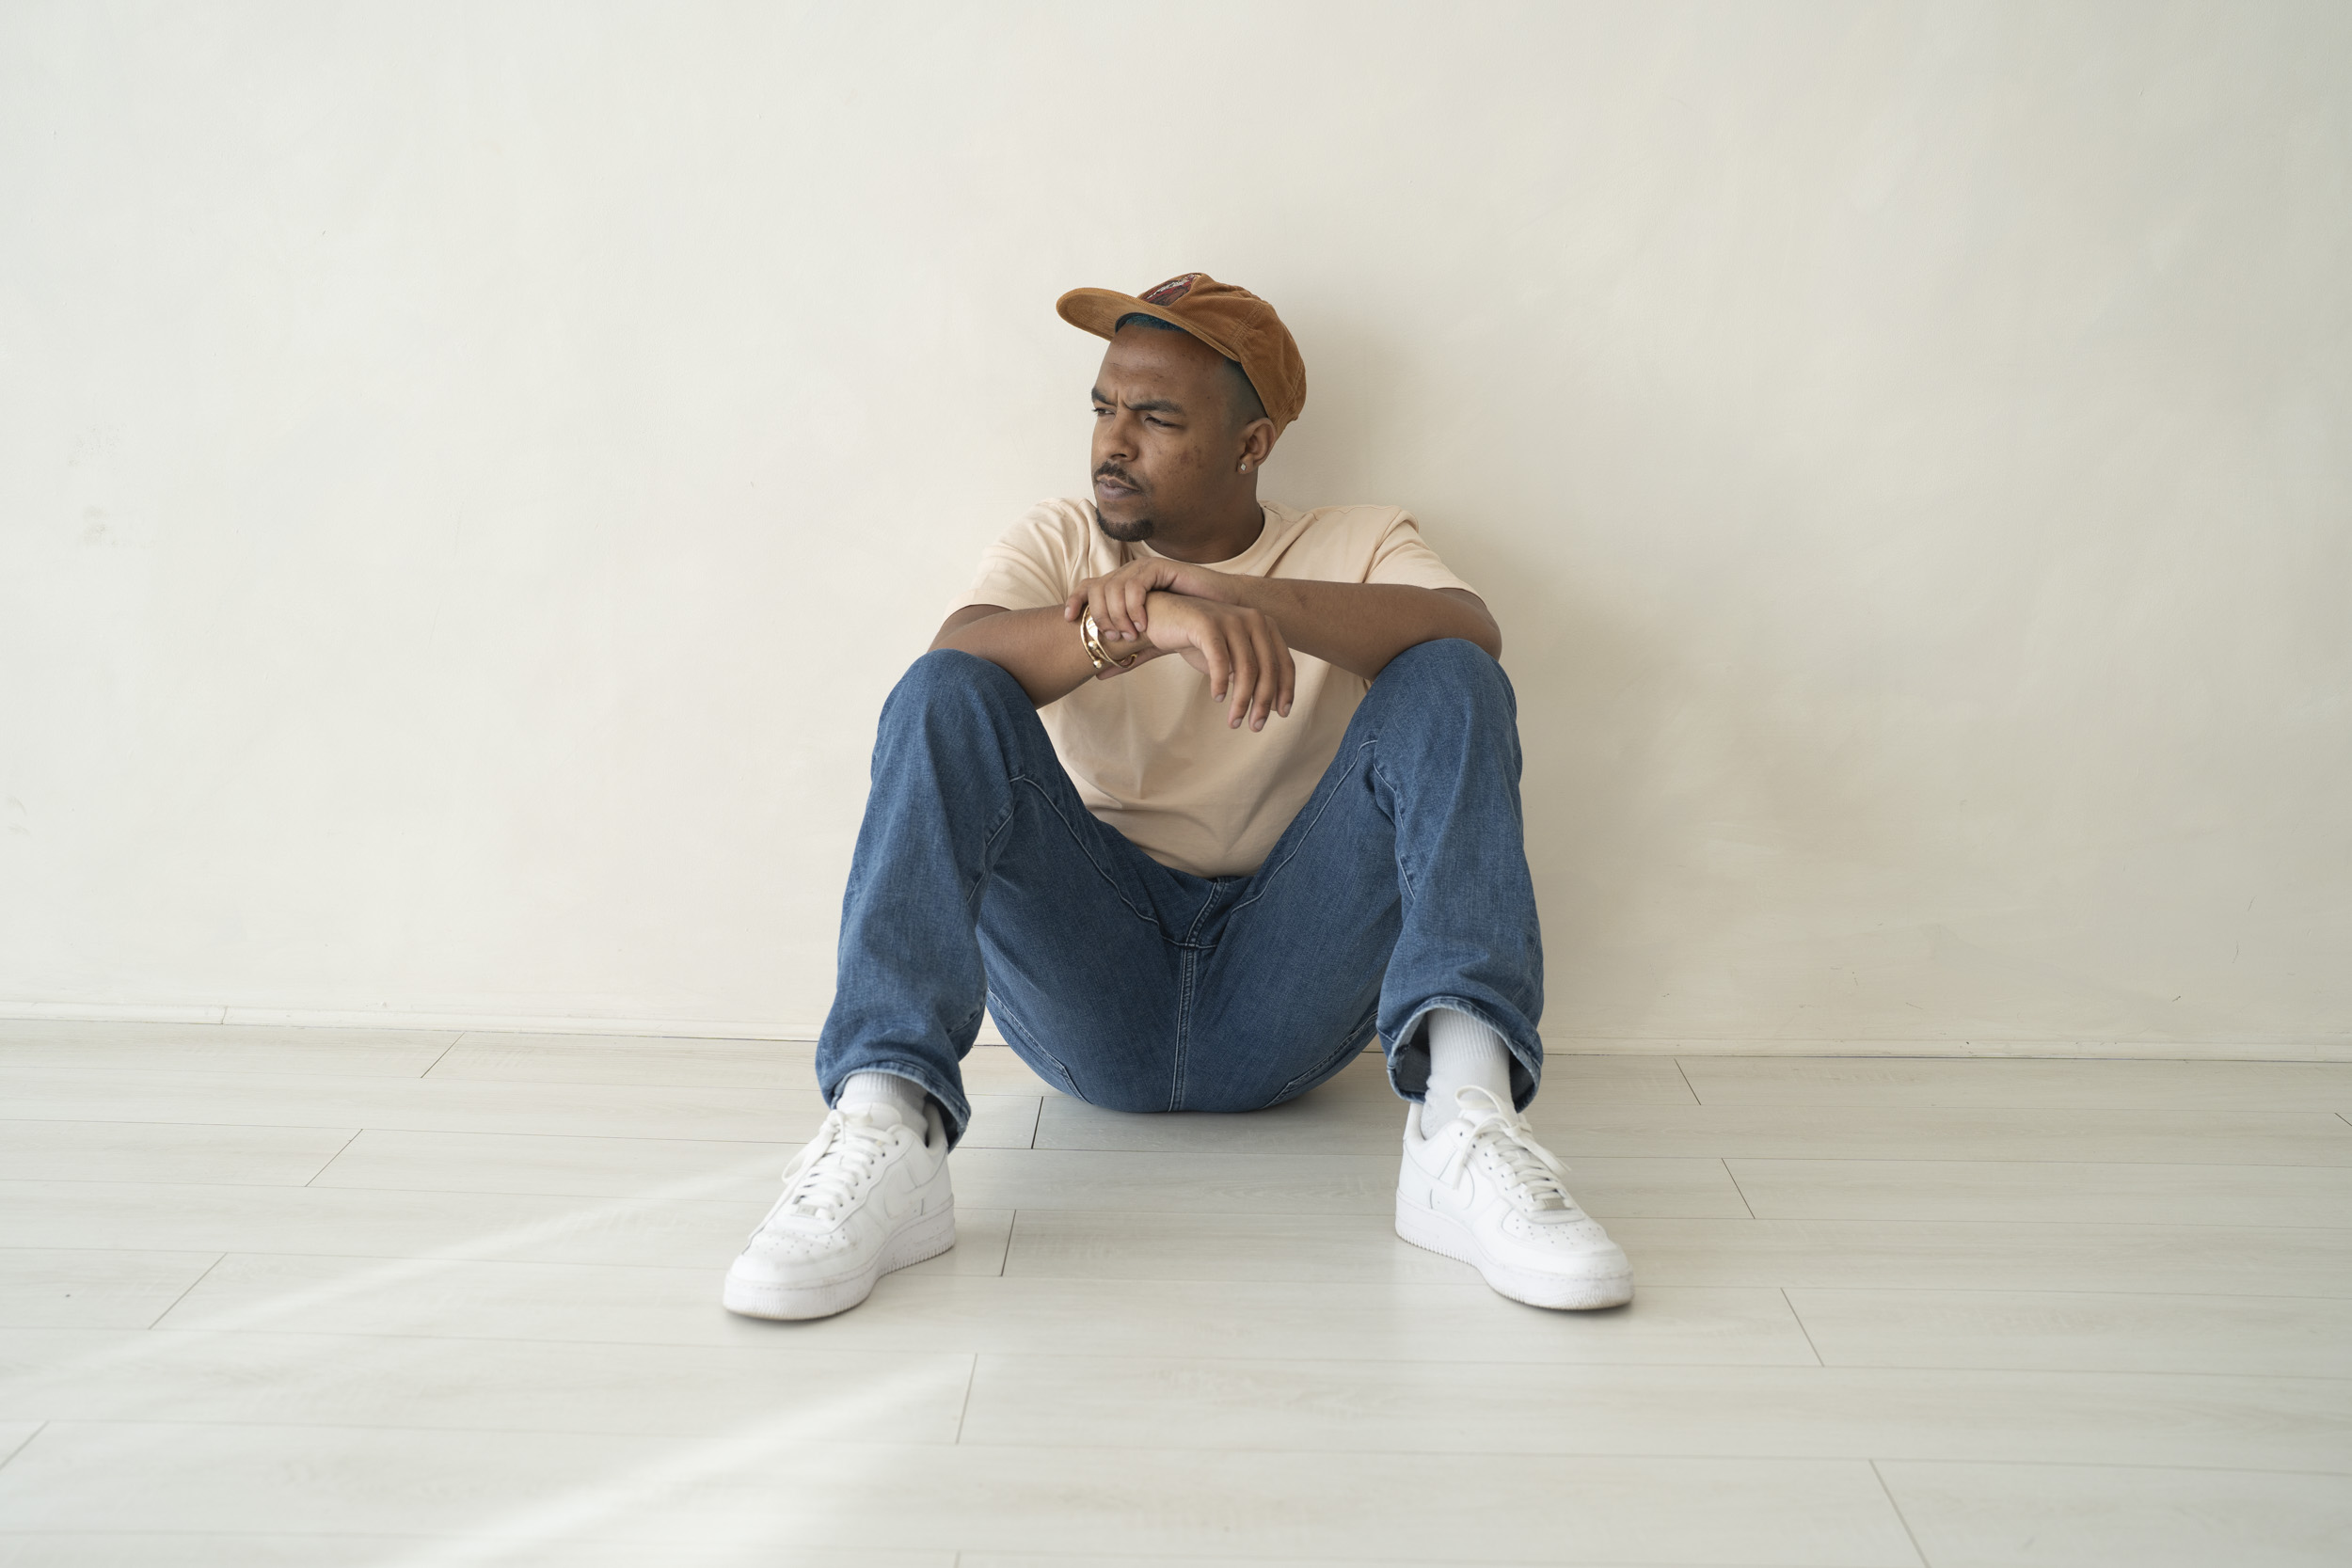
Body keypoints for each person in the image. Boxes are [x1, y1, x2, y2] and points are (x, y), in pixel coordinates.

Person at [723, 272, 1631, 1321]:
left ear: (1251, 445)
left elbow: (1472, 630)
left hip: (1287, 976)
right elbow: (953, 662)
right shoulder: (1064, 539)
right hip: (1092, 973)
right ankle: (891, 1123)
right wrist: (1141, 622)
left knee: (1449, 676)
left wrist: (1237, 597)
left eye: (1155, 416)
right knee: (946, 694)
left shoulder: (1358, 537)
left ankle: (1460, 1123)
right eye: (1105, 407)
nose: (1114, 440)